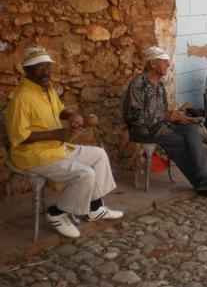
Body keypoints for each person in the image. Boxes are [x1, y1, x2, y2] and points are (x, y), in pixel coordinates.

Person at [5, 46, 123, 239]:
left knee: (99, 155)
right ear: (26, 70)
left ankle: (94, 208)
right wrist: (55, 134)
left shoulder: (47, 90)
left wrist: (73, 115)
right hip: (33, 155)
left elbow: (60, 111)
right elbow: (20, 137)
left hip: (55, 148)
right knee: (85, 174)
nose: (46, 71)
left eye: (47, 66)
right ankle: (57, 213)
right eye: (39, 66)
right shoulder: (22, 99)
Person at [123, 46, 207, 200]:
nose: (168, 65)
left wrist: (176, 117)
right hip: (144, 131)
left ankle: (203, 177)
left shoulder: (159, 85)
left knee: (191, 130)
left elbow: (164, 111)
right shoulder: (138, 84)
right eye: (164, 62)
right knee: (180, 141)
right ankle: (201, 183)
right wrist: (164, 116)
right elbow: (133, 116)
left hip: (161, 126)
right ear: (153, 63)